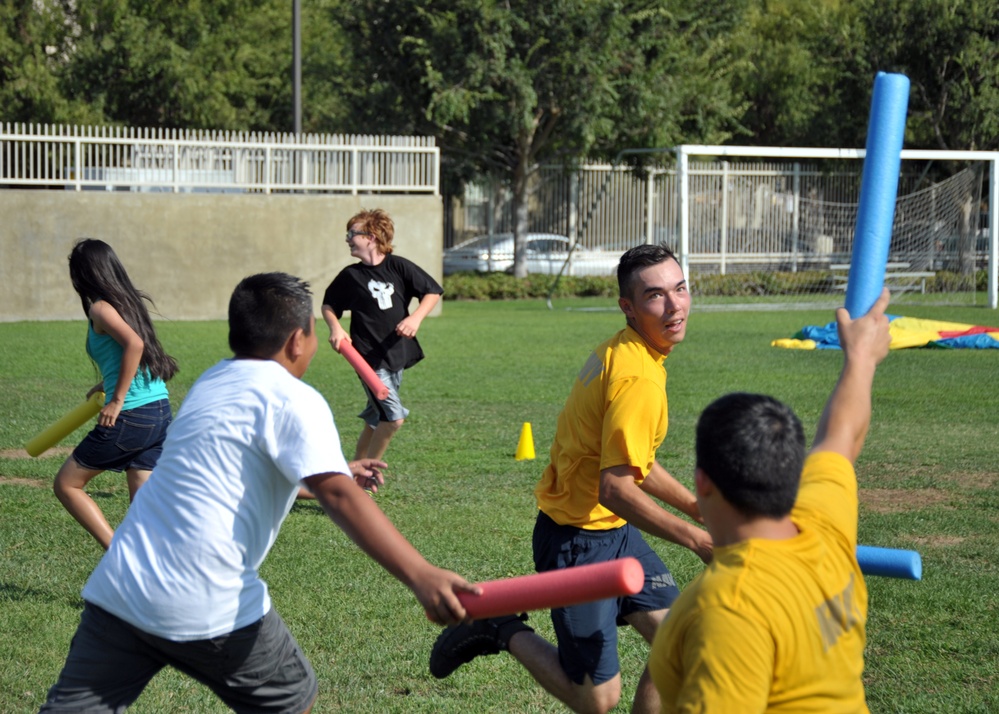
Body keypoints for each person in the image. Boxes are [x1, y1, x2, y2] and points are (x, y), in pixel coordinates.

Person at [40, 272, 478, 713]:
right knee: (294, 699)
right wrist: (420, 575)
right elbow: (340, 498)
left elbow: (238, 471)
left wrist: (335, 469)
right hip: (207, 597)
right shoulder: (293, 398)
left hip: (119, 586)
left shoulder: (211, 381)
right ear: (297, 341)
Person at [430, 244, 713, 714]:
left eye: (680, 289)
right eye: (655, 296)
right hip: (577, 543)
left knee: (682, 646)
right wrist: (698, 540)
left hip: (614, 533)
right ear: (628, 306)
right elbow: (615, 488)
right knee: (596, 697)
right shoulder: (637, 378)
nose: (674, 305)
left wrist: (695, 508)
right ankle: (498, 625)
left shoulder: (626, 350)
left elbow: (631, 462)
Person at [648, 288, 893, 712]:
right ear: (793, 470)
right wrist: (861, 360)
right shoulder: (825, 527)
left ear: (702, 482)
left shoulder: (728, 608)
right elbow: (842, 436)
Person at [54, 238, 178, 550]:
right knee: (143, 511)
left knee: (67, 484)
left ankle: (118, 554)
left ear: (82, 274)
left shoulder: (100, 308)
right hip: (159, 411)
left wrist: (117, 399)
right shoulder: (129, 303)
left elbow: (134, 345)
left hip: (132, 415)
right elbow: (126, 352)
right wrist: (106, 384)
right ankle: (150, 566)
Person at [321, 208, 443, 462]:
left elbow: (432, 291)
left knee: (377, 419)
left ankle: (354, 470)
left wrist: (415, 318)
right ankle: (367, 471)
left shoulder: (399, 266)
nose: (347, 239)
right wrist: (335, 327)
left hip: (395, 353)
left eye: (352, 234)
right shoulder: (351, 276)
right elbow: (329, 304)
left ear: (371, 237)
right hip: (367, 358)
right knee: (393, 418)